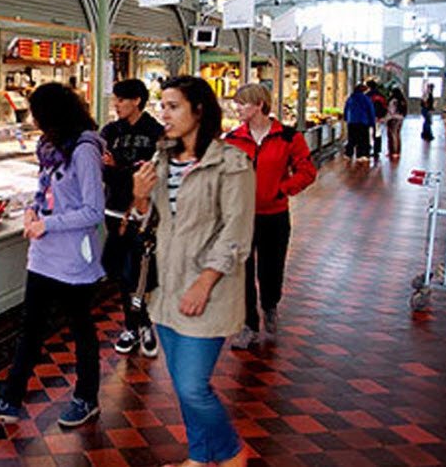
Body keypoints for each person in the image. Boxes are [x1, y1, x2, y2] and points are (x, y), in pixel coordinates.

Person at [131, 76, 254, 467]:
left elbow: (236, 233)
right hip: (166, 290)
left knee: (192, 385)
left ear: (198, 110)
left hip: (208, 290)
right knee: (184, 389)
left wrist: (204, 282)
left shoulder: (231, 163)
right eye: (161, 105)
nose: (163, 114)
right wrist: (138, 195)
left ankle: (233, 454)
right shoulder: (161, 158)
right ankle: (200, 458)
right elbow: (146, 222)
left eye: (172, 106)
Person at [0, 82, 105, 428]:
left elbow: (93, 211)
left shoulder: (84, 150)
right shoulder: (48, 146)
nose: (33, 120)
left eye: (37, 113)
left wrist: (49, 224)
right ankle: (9, 399)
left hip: (73, 258)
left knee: (81, 331)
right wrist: (32, 212)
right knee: (29, 329)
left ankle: (86, 398)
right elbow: (43, 189)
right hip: (43, 256)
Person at [224, 84, 316, 349]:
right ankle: (249, 326)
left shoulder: (288, 137)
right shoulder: (233, 139)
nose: (237, 108)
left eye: (242, 103)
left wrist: (282, 190)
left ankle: (270, 304)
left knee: (271, 269)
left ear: (259, 105)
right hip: (241, 218)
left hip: (275, 216)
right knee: (242, 271)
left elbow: (307, 171)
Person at [101, 79, 165, 357]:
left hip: (146, 215)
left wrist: (119, 169)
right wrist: (128, 173)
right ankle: (137, 326)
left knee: (140, 273)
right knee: (123, 276)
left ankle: (141, 325)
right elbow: (103, 172)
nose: (116, 105)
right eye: (115, 100)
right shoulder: (109, 131)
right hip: (114, 212)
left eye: (121, 100)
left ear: (137, 100)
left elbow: (155, 177)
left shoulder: (156, 132)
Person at [343, 84, 376, 162]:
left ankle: (348, 153)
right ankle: (361, 155)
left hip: (352, 121)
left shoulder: (350, 98)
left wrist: (346, 118)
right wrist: (372, 122)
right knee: (363, 139)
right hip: (363, 121)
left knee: (351, 138)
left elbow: (346, 109)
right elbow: (370, 110)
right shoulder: (366, 99)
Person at [366, 80, 388, 159]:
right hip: (378, 118)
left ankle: (368, 149)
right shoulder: (381, 95)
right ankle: (377, 150)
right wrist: (382, 116)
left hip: (368, 118)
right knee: (377, 134)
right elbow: (385, 106)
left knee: (368, 134)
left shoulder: (368, 95)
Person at [386, 87, 407, 158]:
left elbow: (391, 111)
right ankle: (397, 151)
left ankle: (393, 151)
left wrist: (386, 117)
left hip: (393, 118)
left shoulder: (393, 101)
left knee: (393, 135)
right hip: (400, 118)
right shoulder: (402, 100)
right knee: (397, 135)